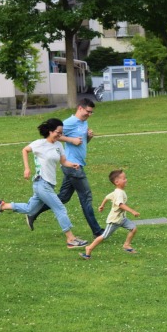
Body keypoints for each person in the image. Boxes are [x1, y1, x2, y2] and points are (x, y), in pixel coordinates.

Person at [0, 118, 89, 249]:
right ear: (50, 131)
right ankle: (71, 239)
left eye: (61, 133)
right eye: (58, 132)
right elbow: (24, 150)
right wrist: (27, 168)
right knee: (60, 209)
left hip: (48, 185)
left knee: (30, 209)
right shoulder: (39, 144)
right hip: (41, 183)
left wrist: (72, 165)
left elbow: (63, 161)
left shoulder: (58, 145)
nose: (60, 135)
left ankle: (2, 206)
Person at [27, 98, 102, 238]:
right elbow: (55, 136)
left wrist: (88, 137)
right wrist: (71, 140)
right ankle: (97, 231)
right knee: (86, 197)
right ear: (80, 108)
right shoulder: (69, 122)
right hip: (72, 166)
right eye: (88, 111)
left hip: (76, 164)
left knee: (63, 197)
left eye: (91, 113)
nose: (89, 114)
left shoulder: (84, 122)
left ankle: (33, 213)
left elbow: (81, 143)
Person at [81, 169, 140, 260]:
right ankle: (89, 248)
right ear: (117, 182)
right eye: (124, 178)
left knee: (133, 228)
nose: (126, 180)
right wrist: (132, 211)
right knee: (104, 236)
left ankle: (126, 245)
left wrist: (102, 205)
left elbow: (107, 197)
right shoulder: (119, 193)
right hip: (115, 220)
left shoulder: (117, 191)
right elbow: (120, 205)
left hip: (122, 219)